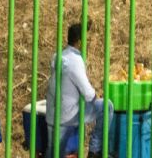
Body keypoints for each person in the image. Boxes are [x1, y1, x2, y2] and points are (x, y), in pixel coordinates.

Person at [42, 23, 114, 158]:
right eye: (86, 39)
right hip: (68, 115)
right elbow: (87, 92)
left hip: (52, 114)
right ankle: (94, 150)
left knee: (53, 152)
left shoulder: (58, 56)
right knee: (106, 107)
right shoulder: (75, 60)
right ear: (79, 41)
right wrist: (95, 95)